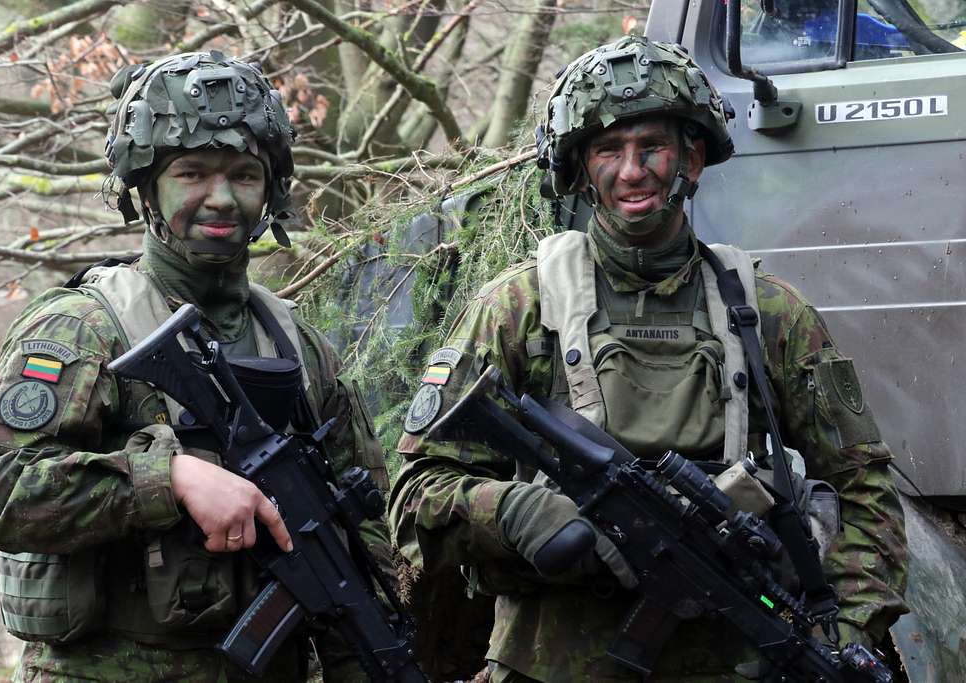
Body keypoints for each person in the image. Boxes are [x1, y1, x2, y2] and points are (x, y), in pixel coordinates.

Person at [387, 36, 908, 681]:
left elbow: (864, 492)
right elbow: (414, 498)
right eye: (608, 149)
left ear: (691, 160)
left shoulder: (770, 314)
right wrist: (516, 513)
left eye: (652, 147)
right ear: (580, 169)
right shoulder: (520, 307)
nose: (631, 172)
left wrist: (843, 631)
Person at [0, 51, 391, 682]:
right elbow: (3, 493)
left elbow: (361, 532)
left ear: (270, 191)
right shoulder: (84, 326)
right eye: (191, 173)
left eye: (244, 176)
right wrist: (172, 481)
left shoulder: (298, 345)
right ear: (146, 189)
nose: (220, 198)